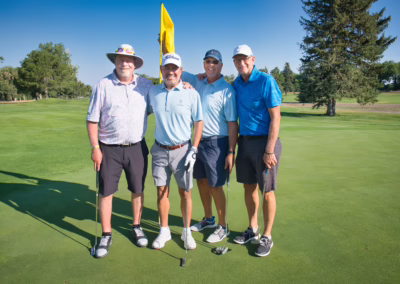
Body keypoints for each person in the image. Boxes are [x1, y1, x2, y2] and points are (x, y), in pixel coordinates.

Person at [87, 44, 153, 258]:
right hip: (108, 149)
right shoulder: (103, 85)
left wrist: (185, 84)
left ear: (134, 63)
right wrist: (95, 147)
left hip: (137, 147)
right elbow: (92, 120)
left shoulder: (146, 85)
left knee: (137, 189)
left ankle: (136, 226)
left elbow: (162, 99)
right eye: (120, 59)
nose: (125, 63)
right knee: (106, 192)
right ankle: (106, 234)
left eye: (129, 59)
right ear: (115, 61)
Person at [181, 49, 238, 243]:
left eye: (215, 62)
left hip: (217, 142)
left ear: (221, 65)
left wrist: (231, 151)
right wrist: (164, 45)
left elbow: (232, 124)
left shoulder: (227, 90)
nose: (211, 65)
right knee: (202, 182)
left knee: (215, 186)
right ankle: (209, 219)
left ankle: (223, 226)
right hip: (198, 142)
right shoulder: (199, 81)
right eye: (208, 62)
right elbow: (177, 70)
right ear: (204, 64)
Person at [148, 53, 203, 250]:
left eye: (174, 69)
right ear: (162, 70)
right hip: (160, 150)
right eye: (167, 68)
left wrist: (194, 148)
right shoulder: (153, 92)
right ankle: (164, 231)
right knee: (161, 191)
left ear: (181, 71)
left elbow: (198, 122)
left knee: (185, 193)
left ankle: (186, 231)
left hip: (183, 150)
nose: (170, 72)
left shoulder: (191, 93)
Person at [232, 45, 282, 257]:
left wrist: (269, 150)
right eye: (238, 60)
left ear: (253, 59)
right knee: (248, 188)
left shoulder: (266, 81)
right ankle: (253, 229)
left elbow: (276, 117)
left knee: (267, 191)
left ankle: (267, 236)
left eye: (245, 59)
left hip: (265, 144)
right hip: (245, 142)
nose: (241, 63)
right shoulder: (236, 83)